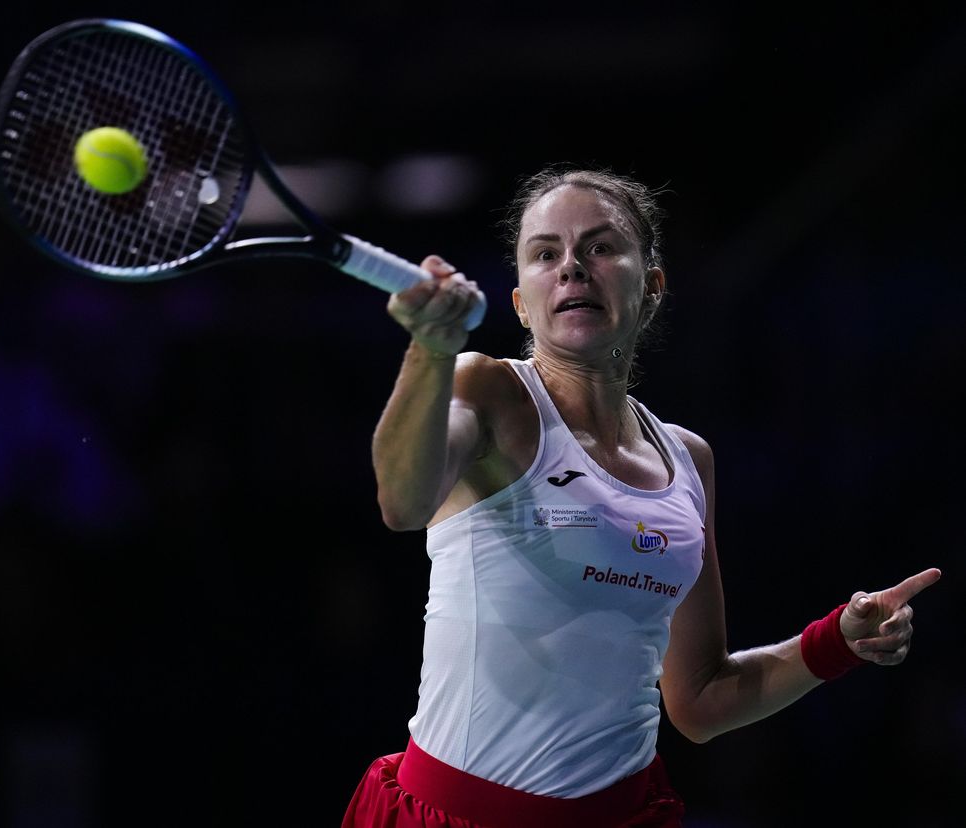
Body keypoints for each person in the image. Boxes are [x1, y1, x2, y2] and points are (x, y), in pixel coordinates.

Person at [341, 165, 942, 828]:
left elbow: (701, 699)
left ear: (650, 286)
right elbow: (401, 499)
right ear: (520, 302)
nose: (572, 267)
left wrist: (836, 643)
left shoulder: (688, 459)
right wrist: (430, 350)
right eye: (546, 253)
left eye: (600, 247)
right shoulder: (489, 395)